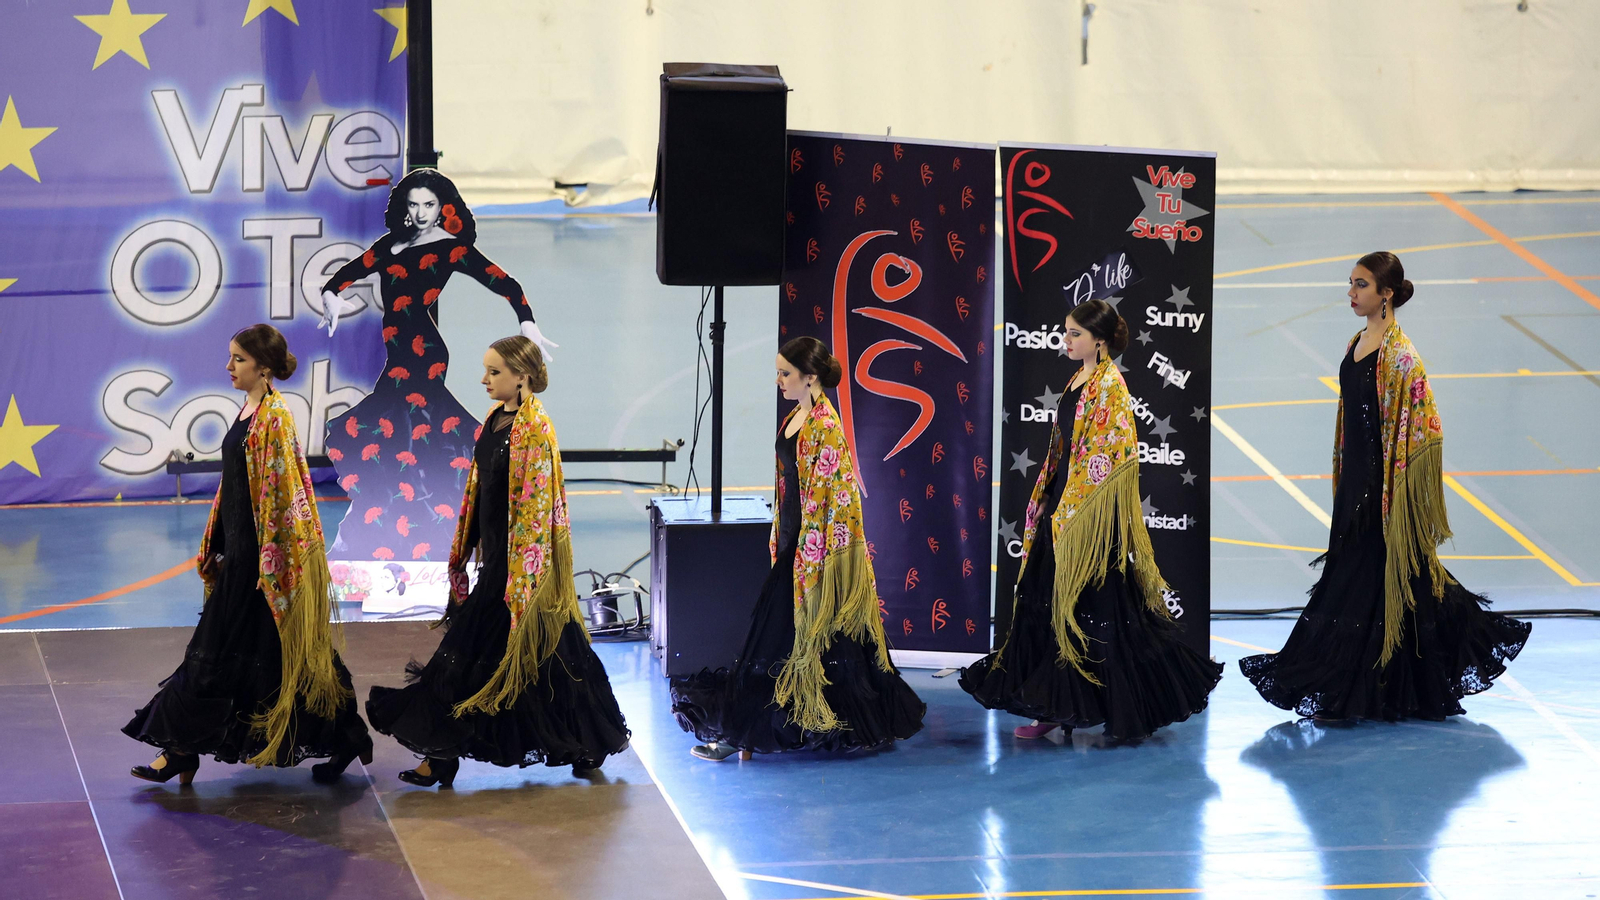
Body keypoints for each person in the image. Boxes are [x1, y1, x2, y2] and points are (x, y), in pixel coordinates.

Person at [1239, 252, 1530, 720]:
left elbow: (1427, 428)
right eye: (1350, 284)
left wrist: (1400, 493)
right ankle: (1389, 684)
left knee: (1371, 579)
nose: (1351, 293)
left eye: (1361, 285)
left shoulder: (1401, 356)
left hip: (1382, 486)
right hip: (1355, 481)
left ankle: (1350, 689)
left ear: (1386, 294)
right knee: (1383, 580)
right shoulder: (1359, 339)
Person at [366, 336, 630, 786]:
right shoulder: (494, 419)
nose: (484, 380)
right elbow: (481, 490)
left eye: (494, 372)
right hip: (496, 564)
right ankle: (442, 756)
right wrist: (471, 547)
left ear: (522, 376)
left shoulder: (535, 428)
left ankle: (587, 740)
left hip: (523, 571)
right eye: (486, 370)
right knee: (474, 659)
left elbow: (536, 506)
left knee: (545, 655)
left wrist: (520, 576)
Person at [960, 299, 1223, 743]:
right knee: (1046, 608)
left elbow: (1110, 457)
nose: (1067, 339)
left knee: (1099, 613)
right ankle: (1051, 705)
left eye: (1075, 333)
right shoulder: (1078, 379)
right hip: (1060, 512)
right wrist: (1046, 498)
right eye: (1067, 331)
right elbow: (1063, 450)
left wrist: (1073, 509)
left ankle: (1124, 711)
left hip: (1090, 519)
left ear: (1099, 340)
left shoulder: (1110, 386)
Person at [125, 324, 372, 784]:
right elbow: (237, 486)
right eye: (231, 357)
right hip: (242, 557)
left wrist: (270, 565)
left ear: (263, 365)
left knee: (285, 659)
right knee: (231, 655)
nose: (229, 366)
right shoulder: (250, 411)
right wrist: (218, 542)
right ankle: (181, 748)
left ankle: (345, 738)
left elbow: (281, 497)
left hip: (264, 566)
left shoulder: (275, 417)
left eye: (238, 358)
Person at [670, 337, 925, 761]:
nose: (778, 380)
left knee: (781, 640)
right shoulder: (796, 417)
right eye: (778, 371)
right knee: (805, 642)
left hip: (815, 553)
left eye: (785, 373)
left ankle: (744, 736)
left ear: (810, 378)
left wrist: (816, 559)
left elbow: (838, 500)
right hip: (793, 543)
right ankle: (807, 725)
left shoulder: (825, 425)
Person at [316, 168, 558, 564]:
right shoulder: (389, 244)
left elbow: (504, 282)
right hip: (398, 351)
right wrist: (331, 296)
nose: (422, 211)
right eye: (414, 204)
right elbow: (347, 274)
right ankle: (407, 523)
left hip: (423, 351)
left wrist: (526, 321)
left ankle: (423, 525)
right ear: (405, 207)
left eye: (429, 204)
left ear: (442, 206)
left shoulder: (450, 248)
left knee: (411, 430)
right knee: (399, 432)